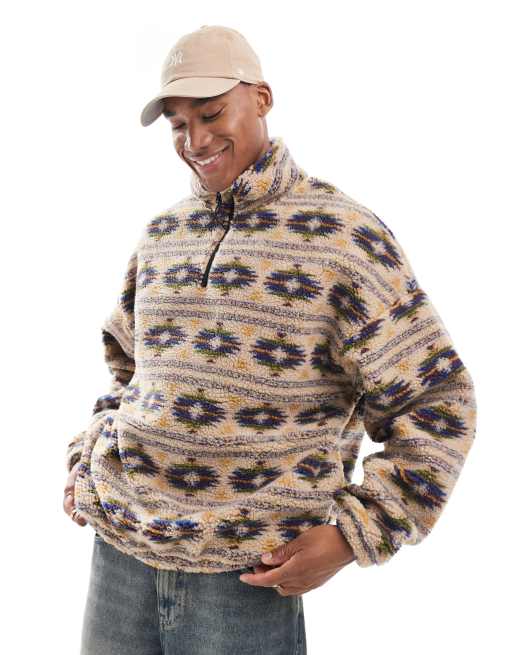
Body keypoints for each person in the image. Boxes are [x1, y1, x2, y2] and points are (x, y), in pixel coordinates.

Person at [63, 24, 477, 655]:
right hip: (119, 556)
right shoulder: (164, 234)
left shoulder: (343, 238)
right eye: (178, 124)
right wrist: (86, 459)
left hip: (246, 577)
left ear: (261, 98)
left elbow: (439, 401)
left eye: (211, 114)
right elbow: (128, 373)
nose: (195, 141)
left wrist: (356, 533)